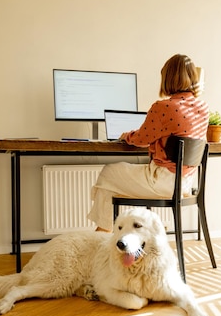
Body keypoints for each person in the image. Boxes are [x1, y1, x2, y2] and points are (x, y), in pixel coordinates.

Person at [87, 54, 210, 232]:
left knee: (109, 172)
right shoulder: (203, 108)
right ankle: (108, 235)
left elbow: (141, 140)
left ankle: (102, 237)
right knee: (111, 184)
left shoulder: (164, 107)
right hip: (185, 183)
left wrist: (125, 135)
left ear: (168, 78)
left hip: (162, 181)